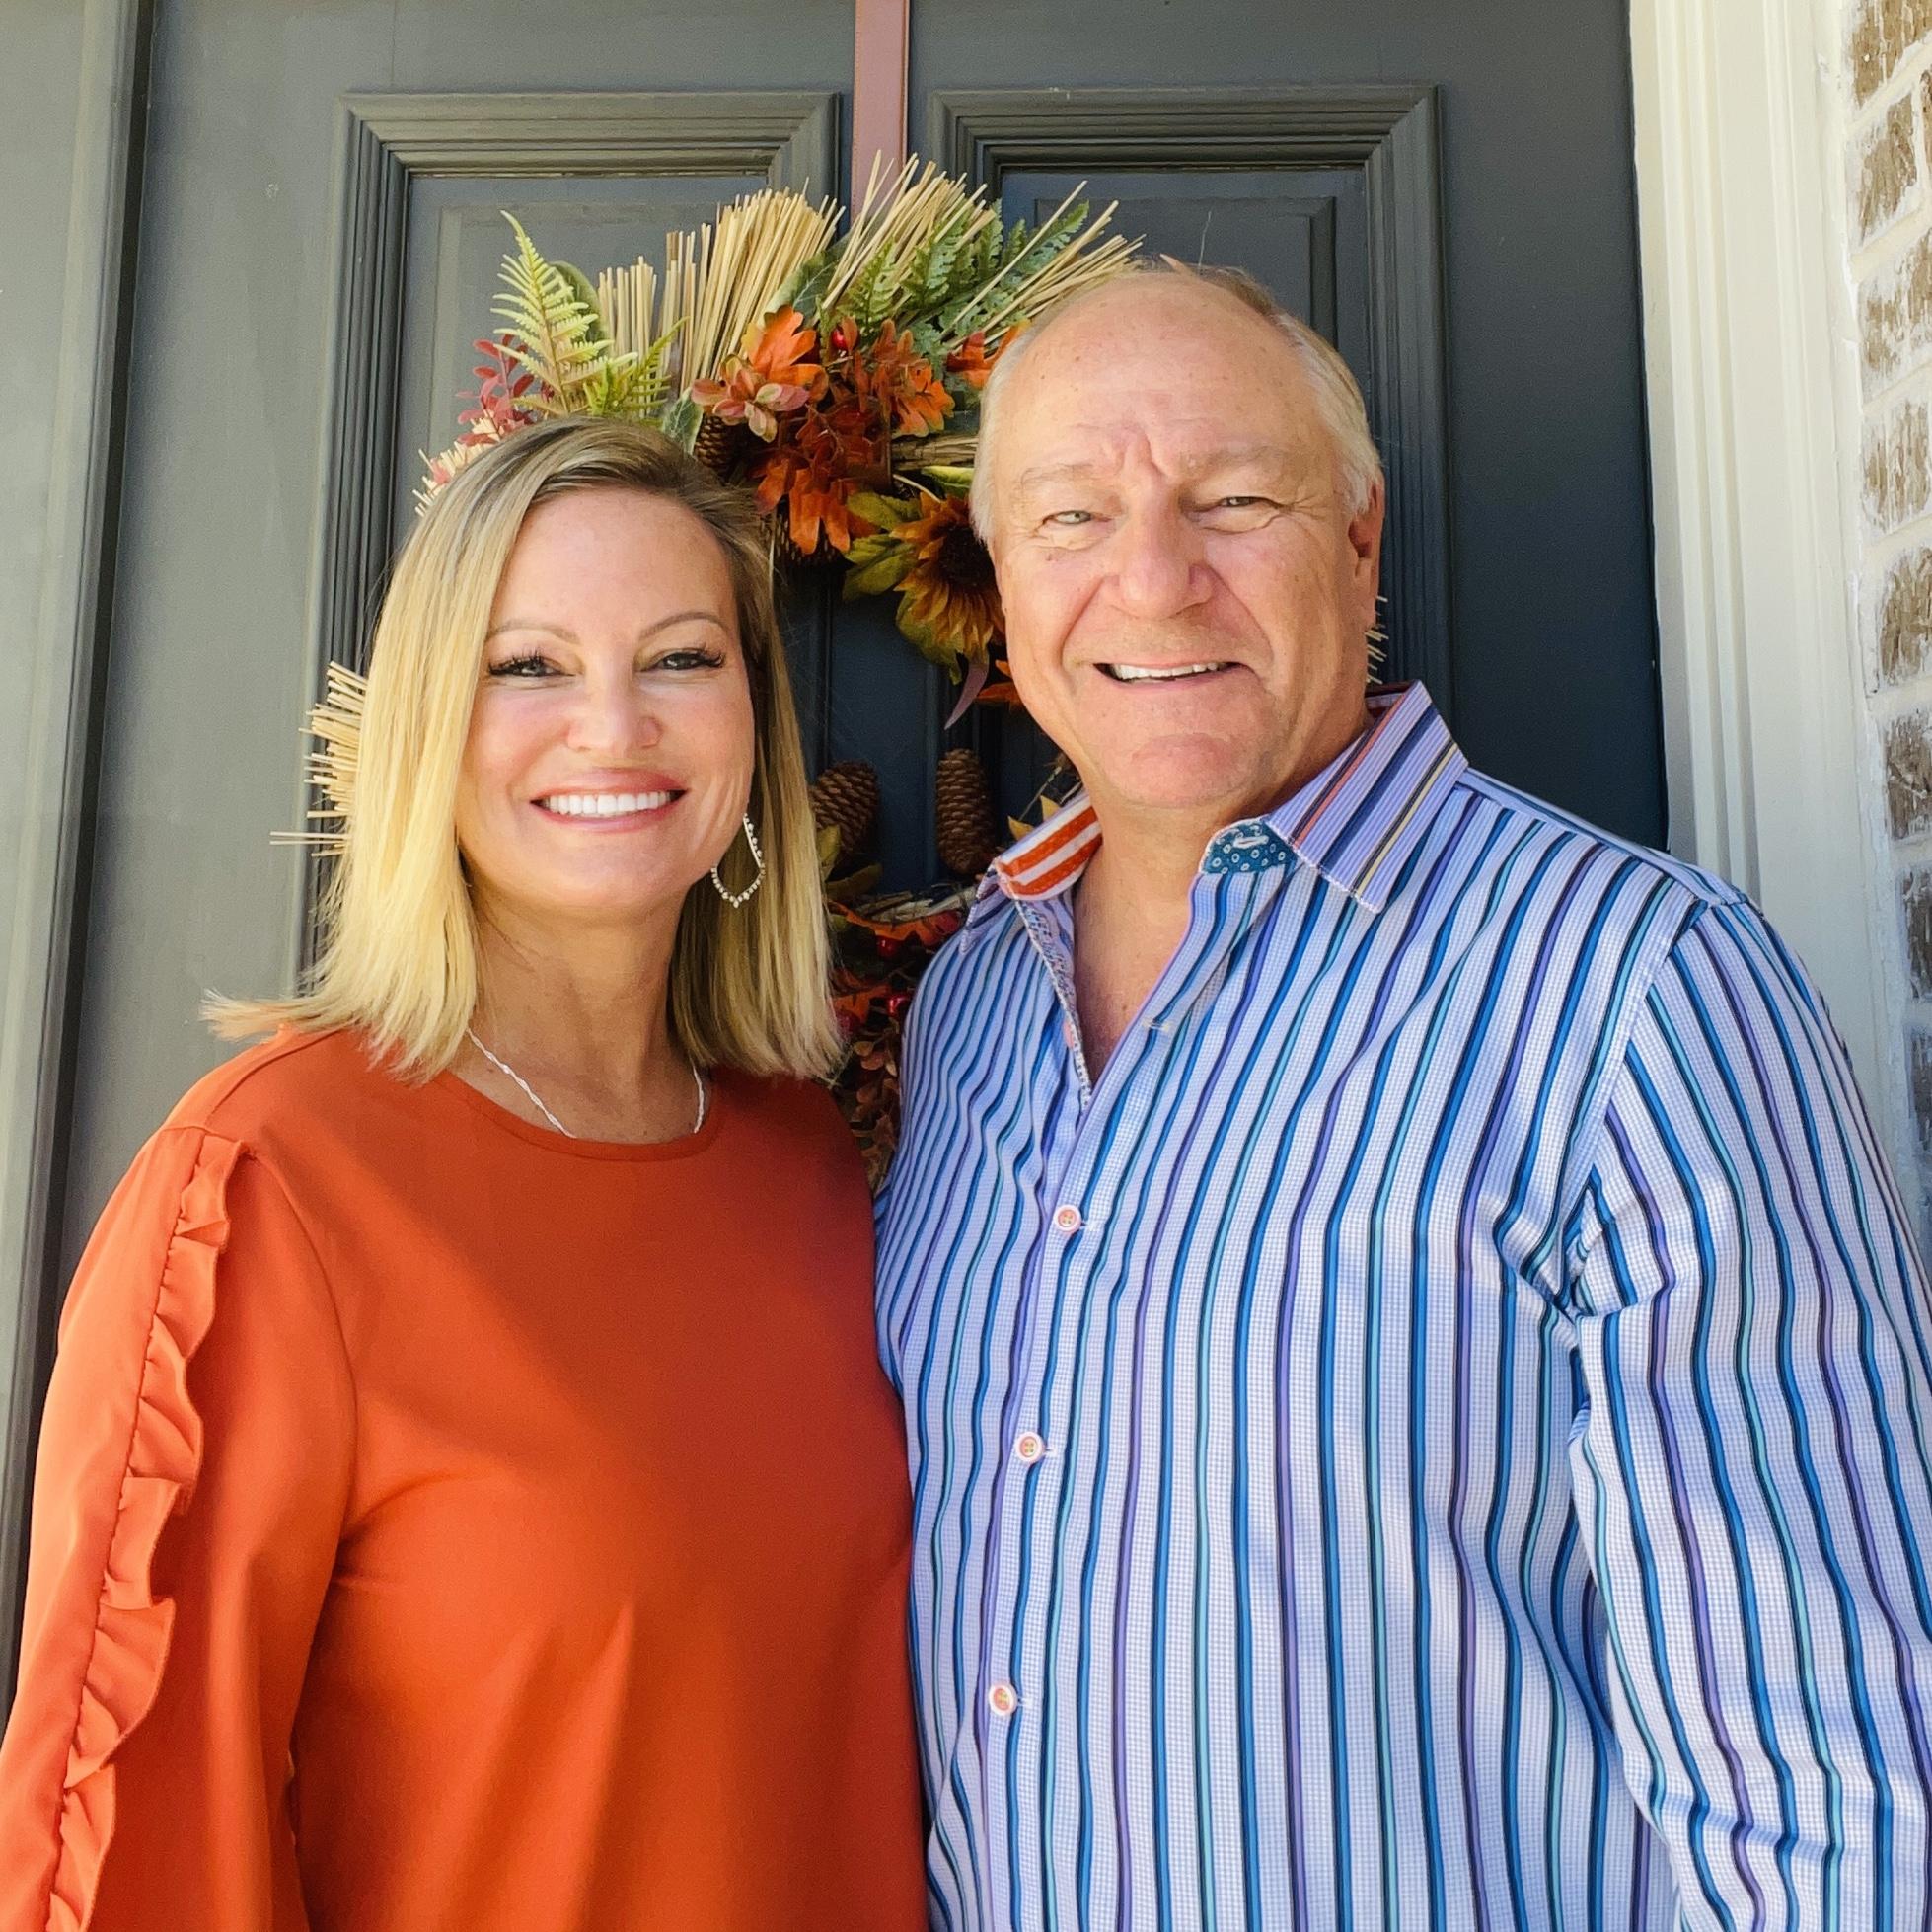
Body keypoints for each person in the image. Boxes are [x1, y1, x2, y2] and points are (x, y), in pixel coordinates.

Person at [876, 262, 1932, 1929]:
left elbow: (1825, 1776)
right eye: (1071, 515)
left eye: (1234, 499)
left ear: (1360, 542)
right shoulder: (967, 1013)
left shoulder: (1637, 987)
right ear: (1002, 578)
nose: (1151, 579)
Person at [0, 418, 927, 1931]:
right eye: (529, 665)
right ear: (432, 723)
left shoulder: (806, 1164)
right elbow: (129, 1849)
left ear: (752, 722)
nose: (613, 725)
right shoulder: (269, 1184)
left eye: (682, 657)